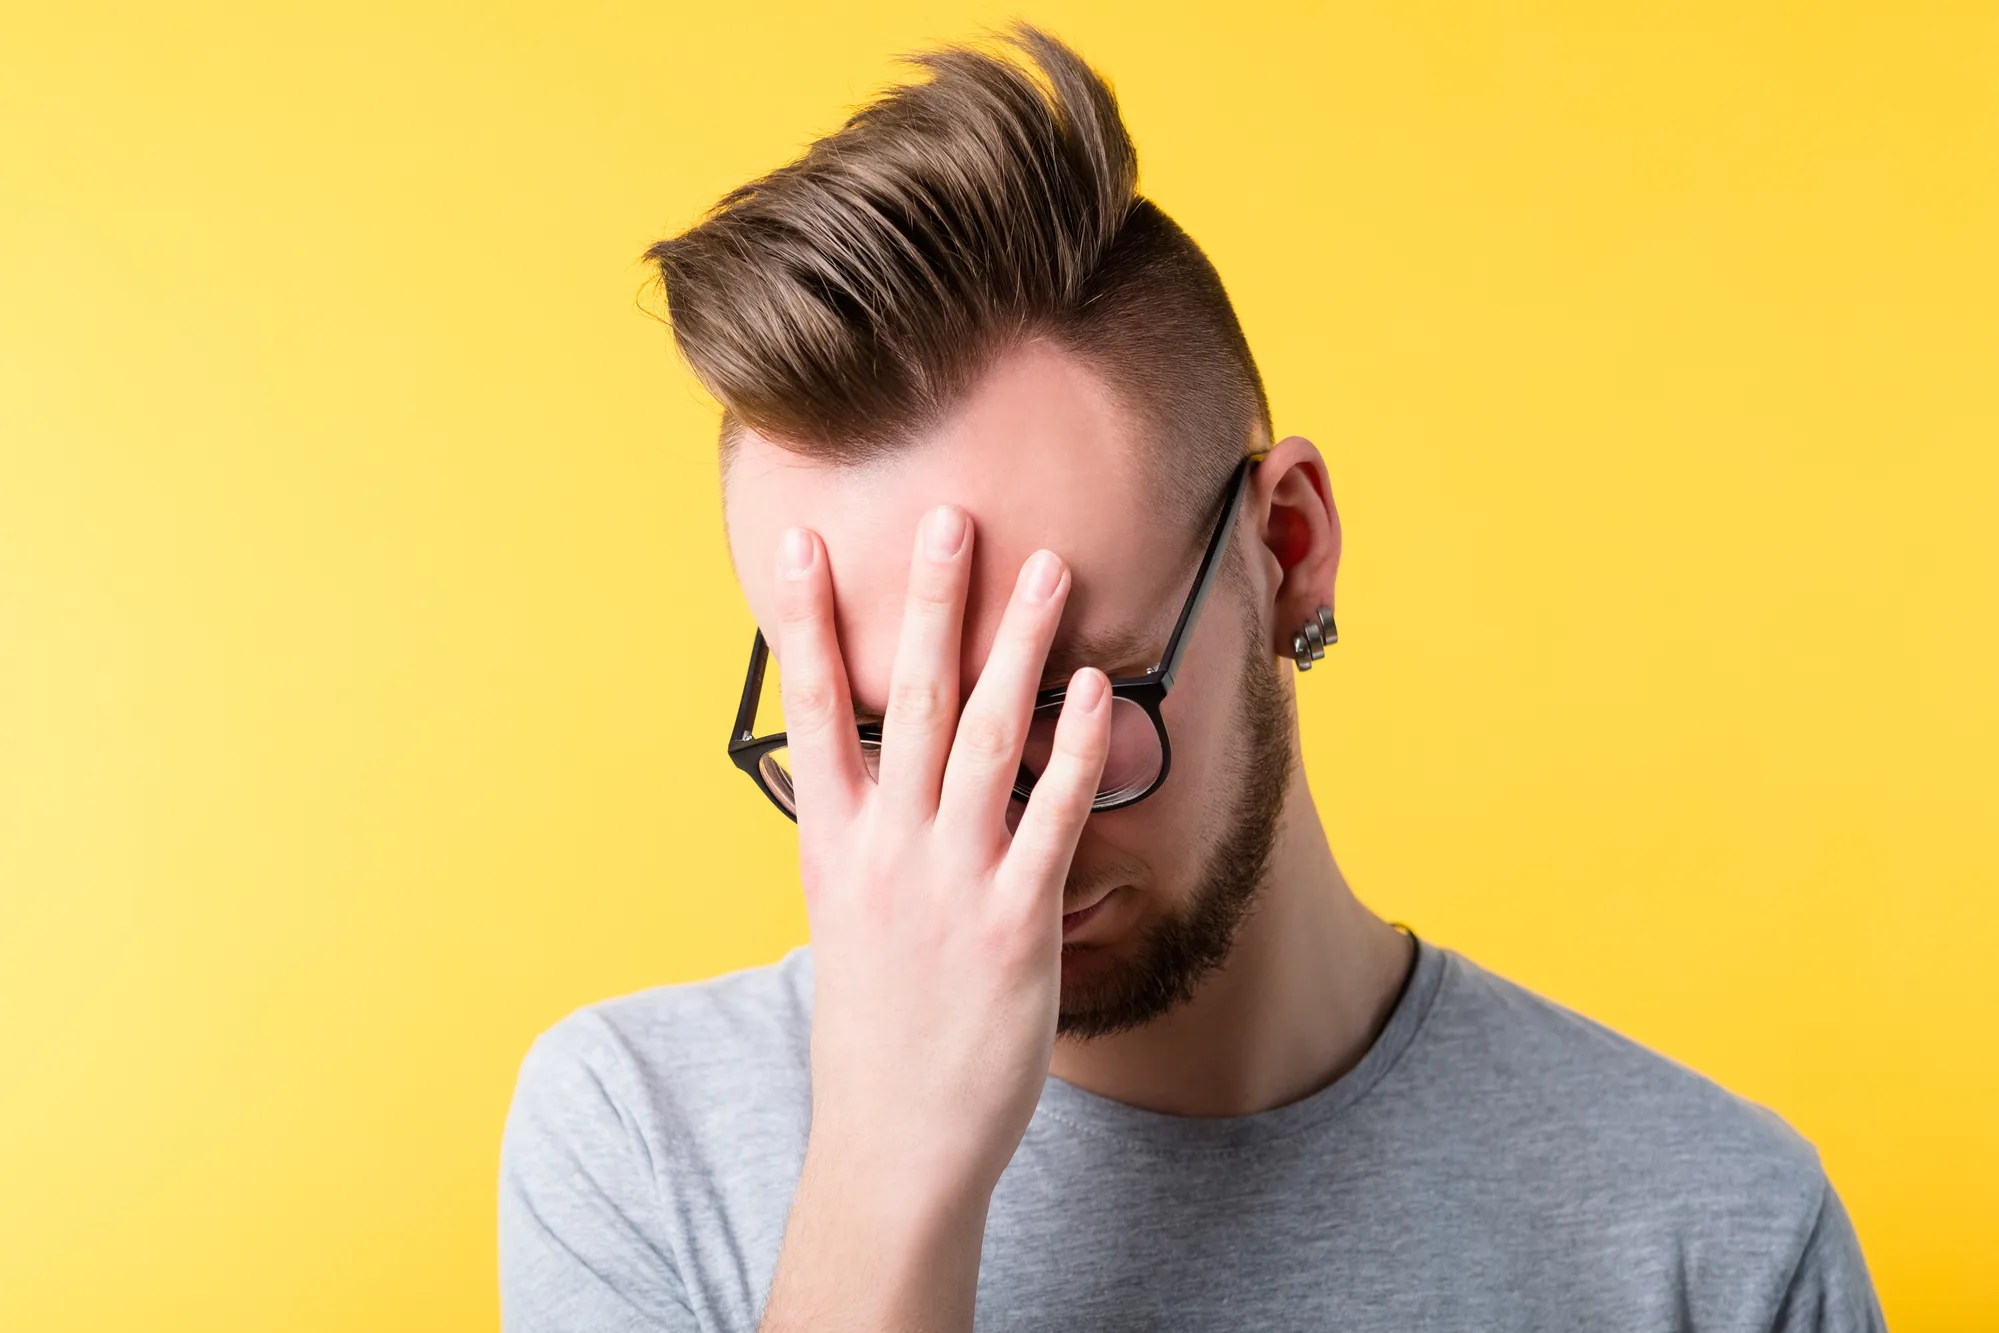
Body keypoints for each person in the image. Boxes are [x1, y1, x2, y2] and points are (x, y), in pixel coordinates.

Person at [498, 21, 1885, 1332]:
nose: (992, 831)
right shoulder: (639, 1137)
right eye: (874, 727)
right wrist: (884, 1161)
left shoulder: (1716, 1236)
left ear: (1286, 550)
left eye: (1062, 696)